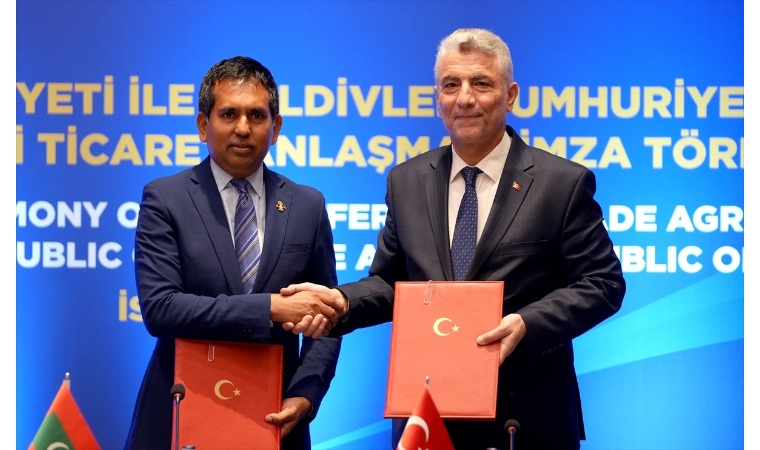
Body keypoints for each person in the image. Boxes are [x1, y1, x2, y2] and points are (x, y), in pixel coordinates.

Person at [282, 28, 626, 449]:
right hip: (426, 418)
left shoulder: (561, 183)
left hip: (525, 417)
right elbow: (391, 283)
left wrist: (527, 323)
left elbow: (604, 284)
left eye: (481, 83)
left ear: (510, 95)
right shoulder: (406, 180)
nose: (464, 98)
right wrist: (341, 302)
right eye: (451, 85)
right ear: (437, 97)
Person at [124, 56, 342, 450]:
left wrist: (306, 394)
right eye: (229, 114)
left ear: (275, 128)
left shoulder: (307, 205)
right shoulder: (166, 198)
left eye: (257, 115)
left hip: (275, 417)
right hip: (181, 408)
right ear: (203, 125)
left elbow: (325, 319)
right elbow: (161, 309)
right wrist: (271, 308)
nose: (243, 128)